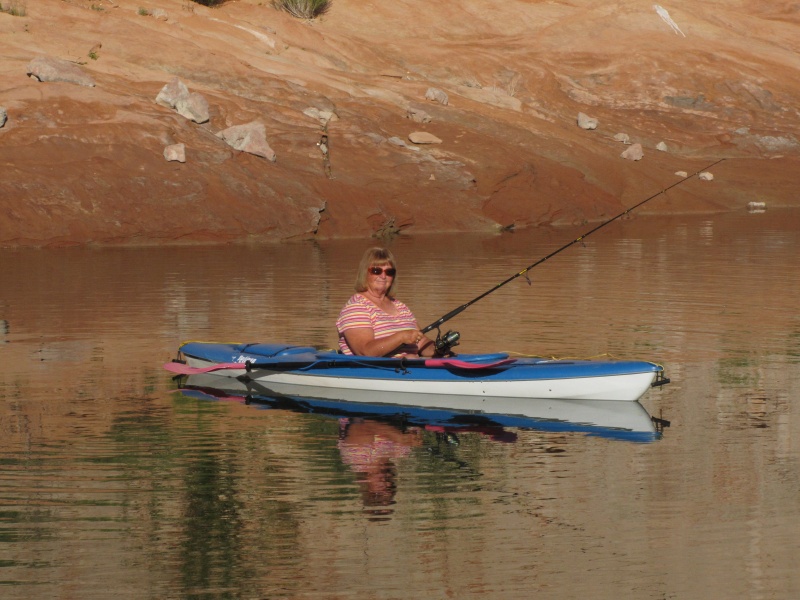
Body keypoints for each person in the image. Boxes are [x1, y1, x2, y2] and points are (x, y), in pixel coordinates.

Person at [336, 247, 435, 357]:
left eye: (389, 272)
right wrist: (401, 337)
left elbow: (421, 342)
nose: (383, 276)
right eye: (376, 271)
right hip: (378, 371)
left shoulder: (401, 307)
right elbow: (365, 351)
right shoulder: (356, 307)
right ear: (365, 273)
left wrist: (438, 349)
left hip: (411, 369)